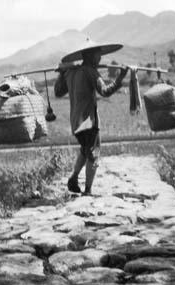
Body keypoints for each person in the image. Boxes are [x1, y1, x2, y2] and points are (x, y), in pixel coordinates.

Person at [54, 39, 128, 195]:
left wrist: (62, 74)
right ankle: (88, 191)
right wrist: (120, 77)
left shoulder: (71, 72)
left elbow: (58, 92)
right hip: (88, 121)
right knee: (93, 155)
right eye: (97, 55)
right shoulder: (90, 71)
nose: (99, 58)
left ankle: (73, 178)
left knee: (85, 149)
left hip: (76, 122)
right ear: (90, 56)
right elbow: (105, 91)